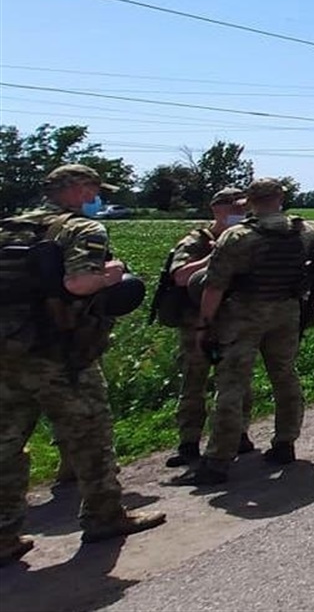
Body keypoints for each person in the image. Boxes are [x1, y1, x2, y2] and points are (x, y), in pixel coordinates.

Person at [1, 165, 166, 565]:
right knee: (89, 432)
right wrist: (111, 275)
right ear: (76, 190)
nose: (97, 196)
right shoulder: (82, 230)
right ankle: (104, 515)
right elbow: (79, 284)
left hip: (6, 352)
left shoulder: (7, 228)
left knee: (6, 442)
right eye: (94, 189)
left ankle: (4, 534)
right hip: (59, 352)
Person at [171, 178, 314, 486]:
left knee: (231, 382)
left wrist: (205, 323)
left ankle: (218, 459)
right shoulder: (307, 231)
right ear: (281, 197)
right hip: (286, 312)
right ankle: (285, 443)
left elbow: (214, 285)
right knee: (285, 375)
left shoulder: (238, 236)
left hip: (242, 314)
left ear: (249, 202)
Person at [164, 188, 255, 468]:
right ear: (217, 209)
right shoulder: (197, 240)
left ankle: (238, 435)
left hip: (234, 320)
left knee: (238, 382)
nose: (240, 213)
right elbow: (179, 276)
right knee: (194, 381)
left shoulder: (245, 239)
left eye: (244, 208)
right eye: (235, 208)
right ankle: (189, 442)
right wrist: (215, 257)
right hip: (196, 323)